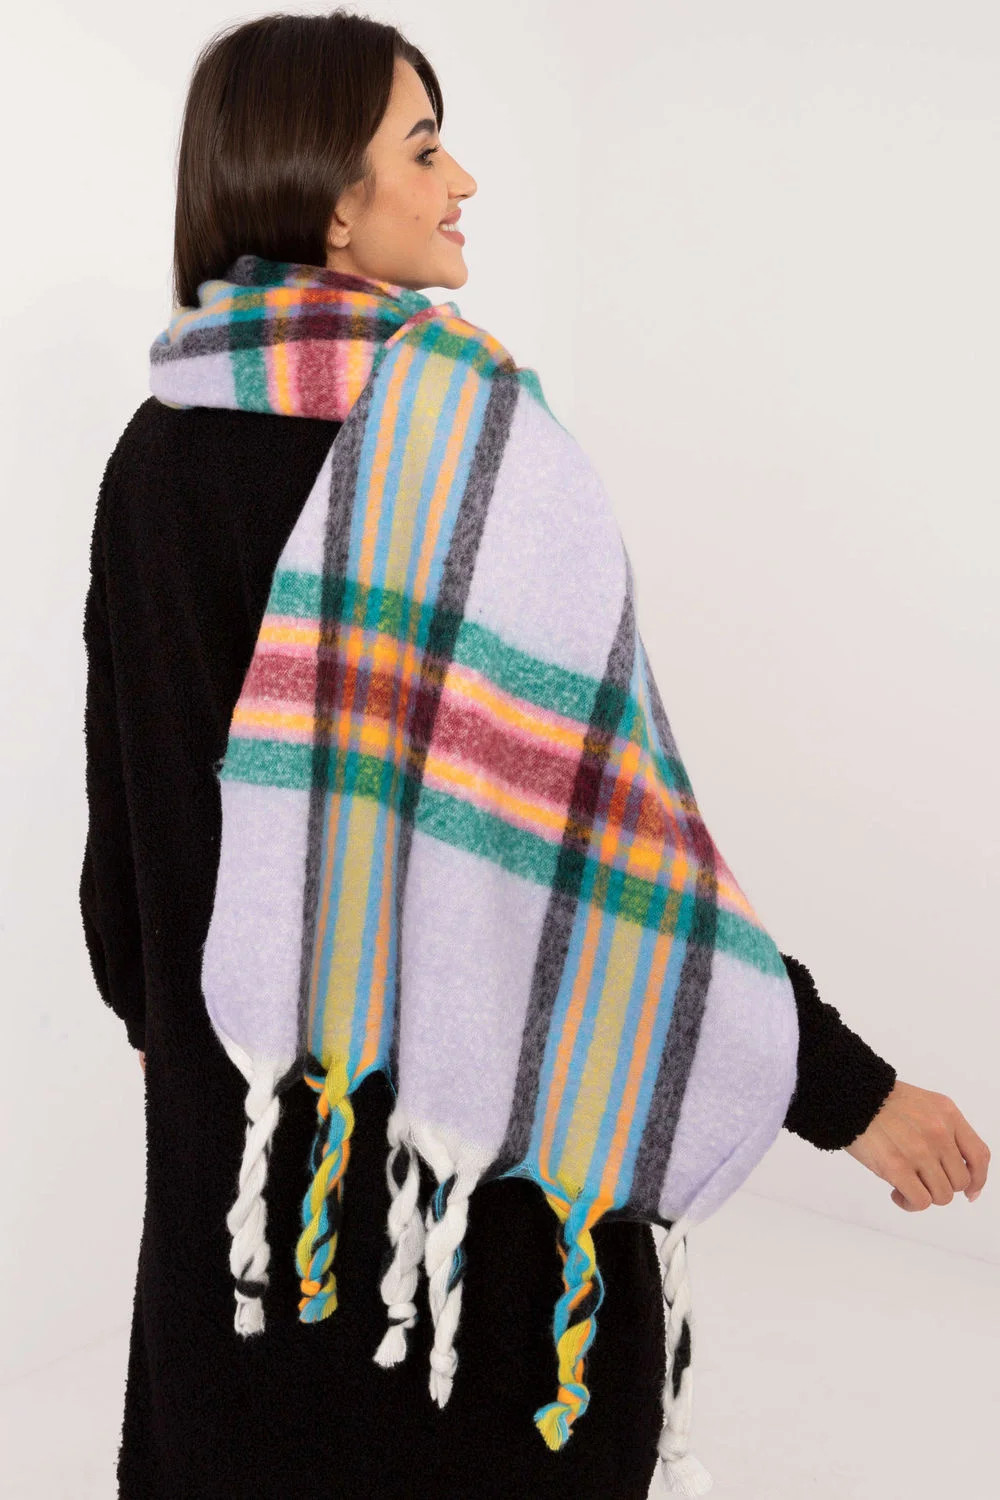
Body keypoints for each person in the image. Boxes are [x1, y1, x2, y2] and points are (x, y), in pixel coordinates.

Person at [79, 11, 990, 1498]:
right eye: (426, 148)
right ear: (332, 202)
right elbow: (616, 857)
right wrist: (853, 1095)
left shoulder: (157, 449)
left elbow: (128, 861)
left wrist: (198, 1052)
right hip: (470, 1202)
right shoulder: (486, 454)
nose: (464, 183)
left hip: (246, 1192)